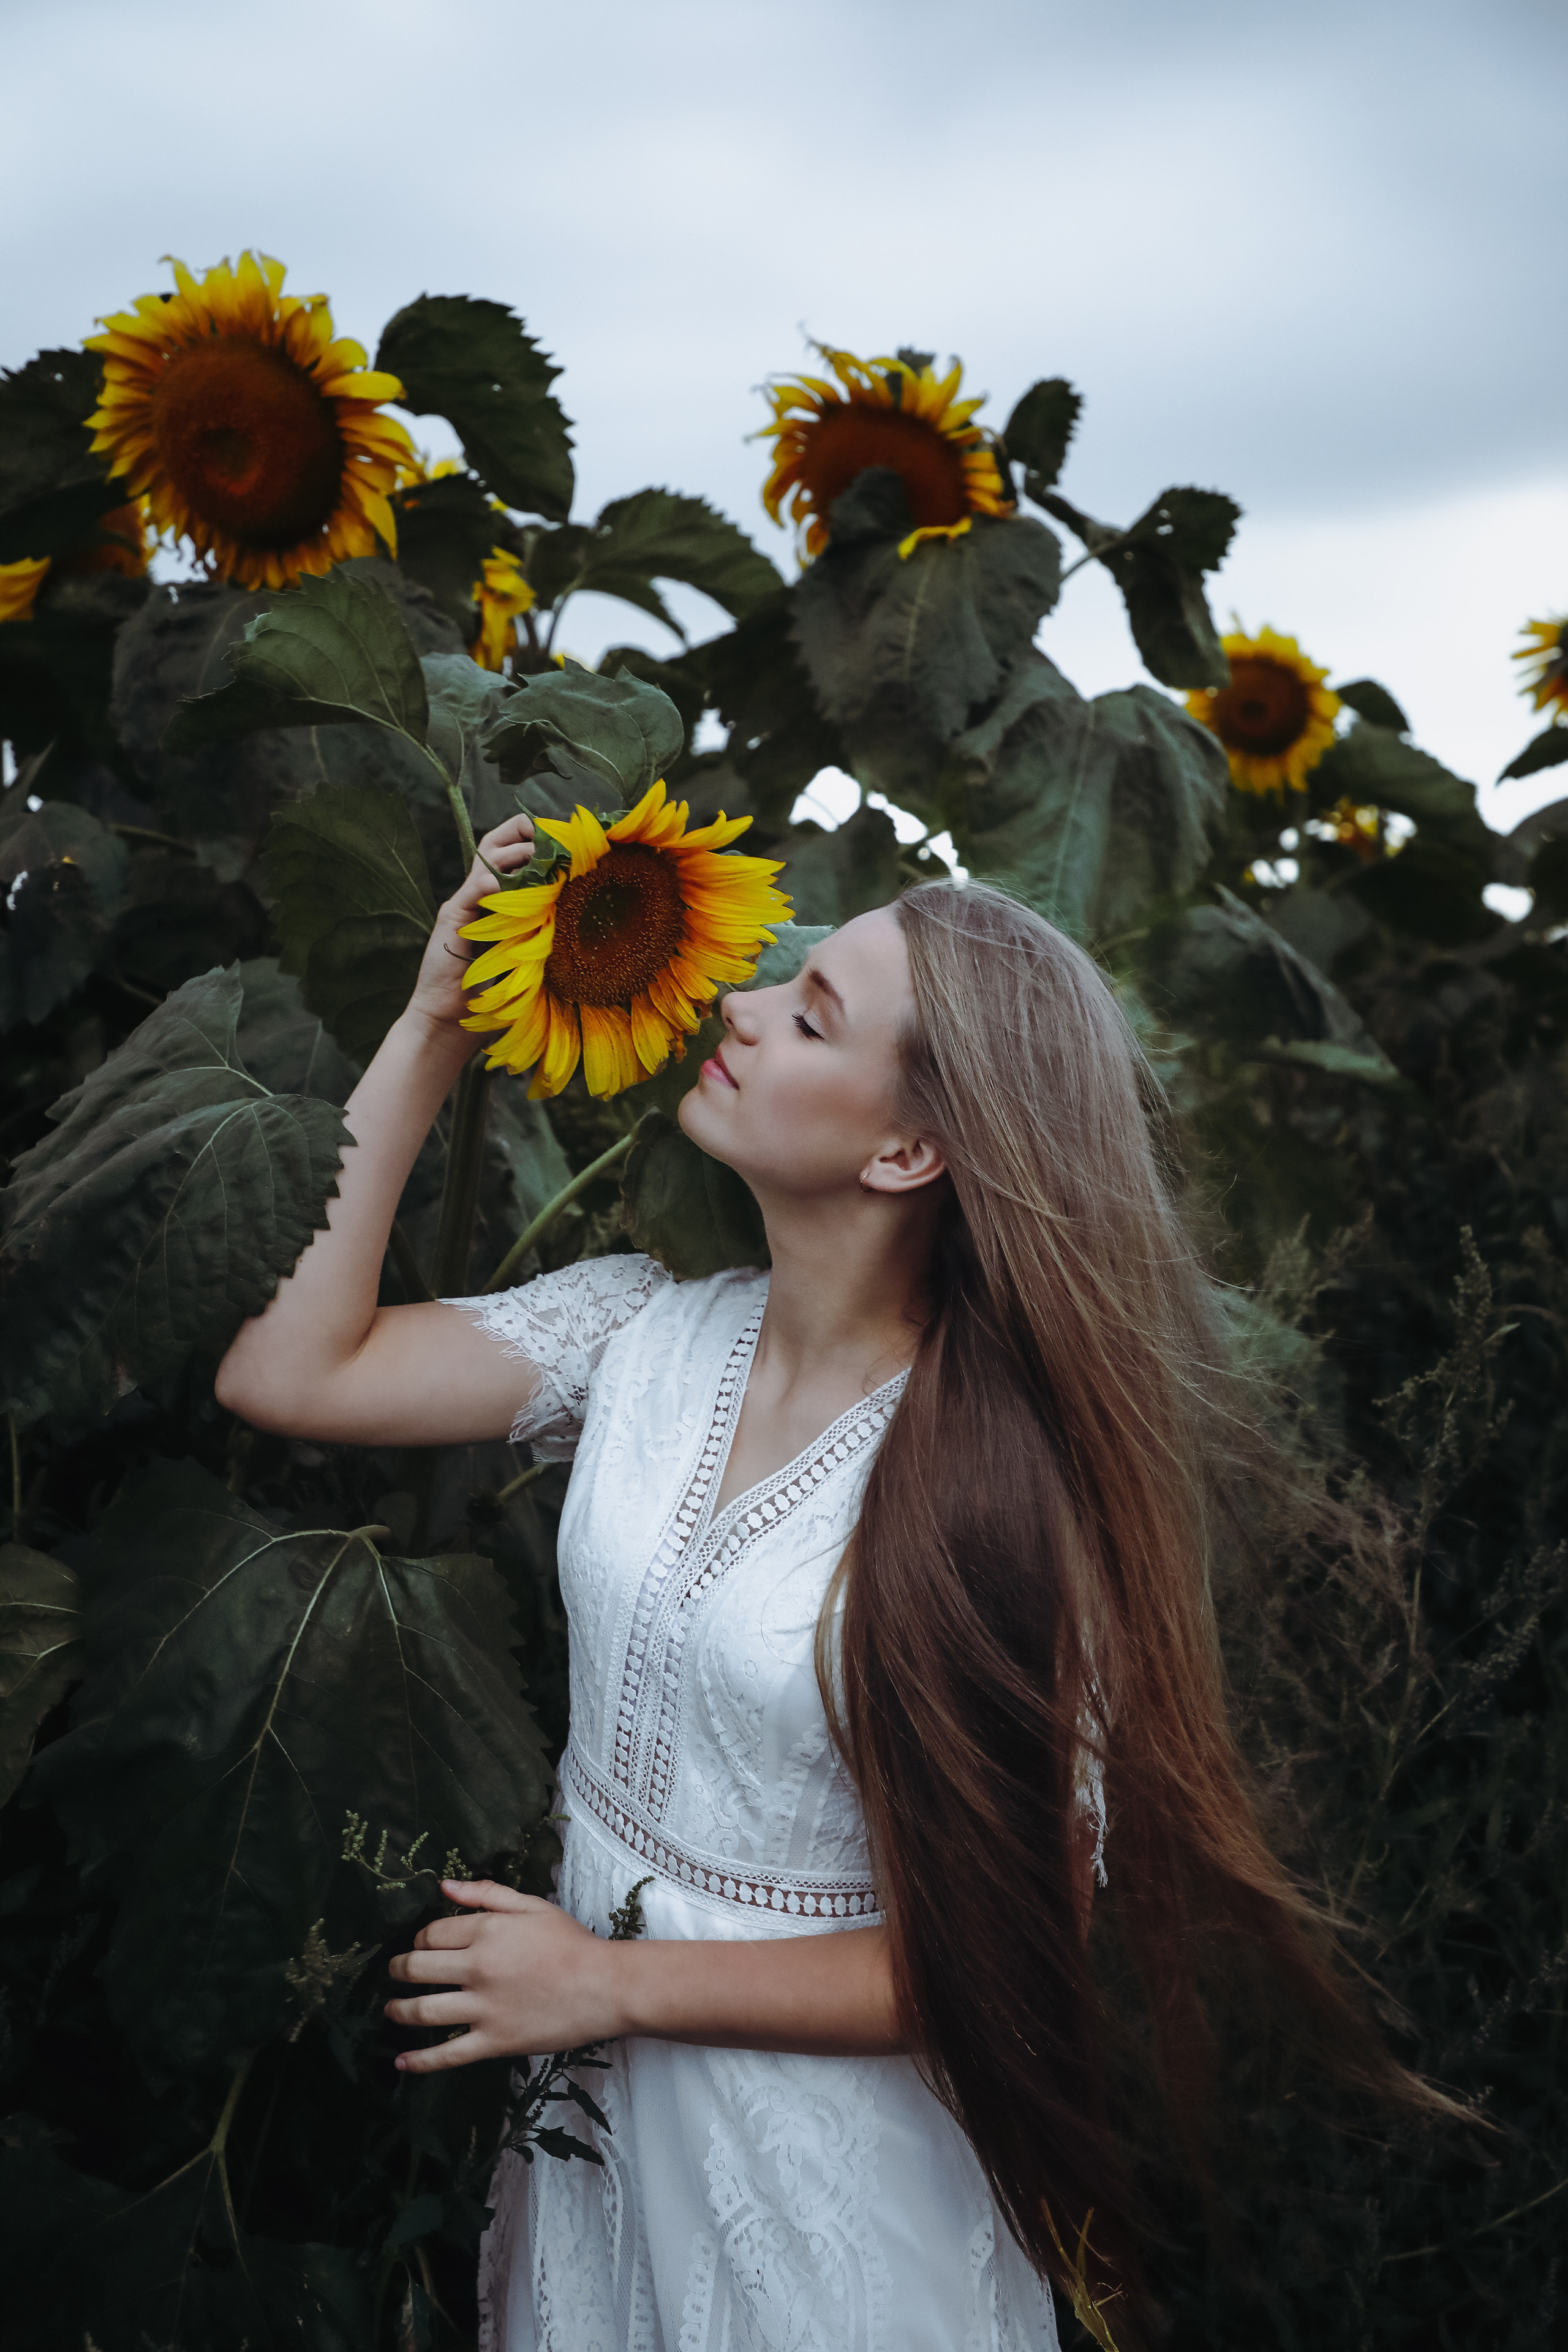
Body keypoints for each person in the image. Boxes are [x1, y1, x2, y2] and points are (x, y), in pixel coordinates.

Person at [216, 814, 1410, 2352]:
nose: (736, 1006)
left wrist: (608, 1983)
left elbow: (989, 1960)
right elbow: (288, 1366)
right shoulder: (637, 1334)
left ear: (907, 1149)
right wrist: (437, 1020)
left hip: (820, 2211)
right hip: (591, 2138)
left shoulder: (989, 1489)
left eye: (810, 1015)